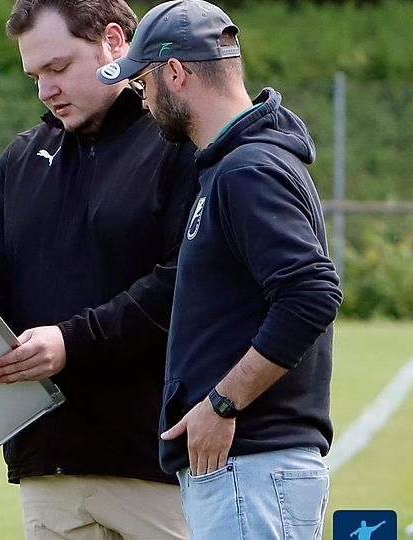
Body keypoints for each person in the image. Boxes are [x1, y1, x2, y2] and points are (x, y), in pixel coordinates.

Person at [0, 1, 197, 538]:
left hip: (159, 466)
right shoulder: (22, 157)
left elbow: (183, 283)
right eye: (35, 76)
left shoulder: (181, 146)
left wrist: (71, 342)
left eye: (57, 69)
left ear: (114, 42)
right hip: (48, 466)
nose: (45, 90)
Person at [96, 1, 342, 538]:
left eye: (143, 82)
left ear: (175, 73)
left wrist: (222, 403)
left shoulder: (247, 169)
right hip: (248, 471)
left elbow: (313, 293)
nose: (142, 100)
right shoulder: (238, 164)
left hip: (252, 466)